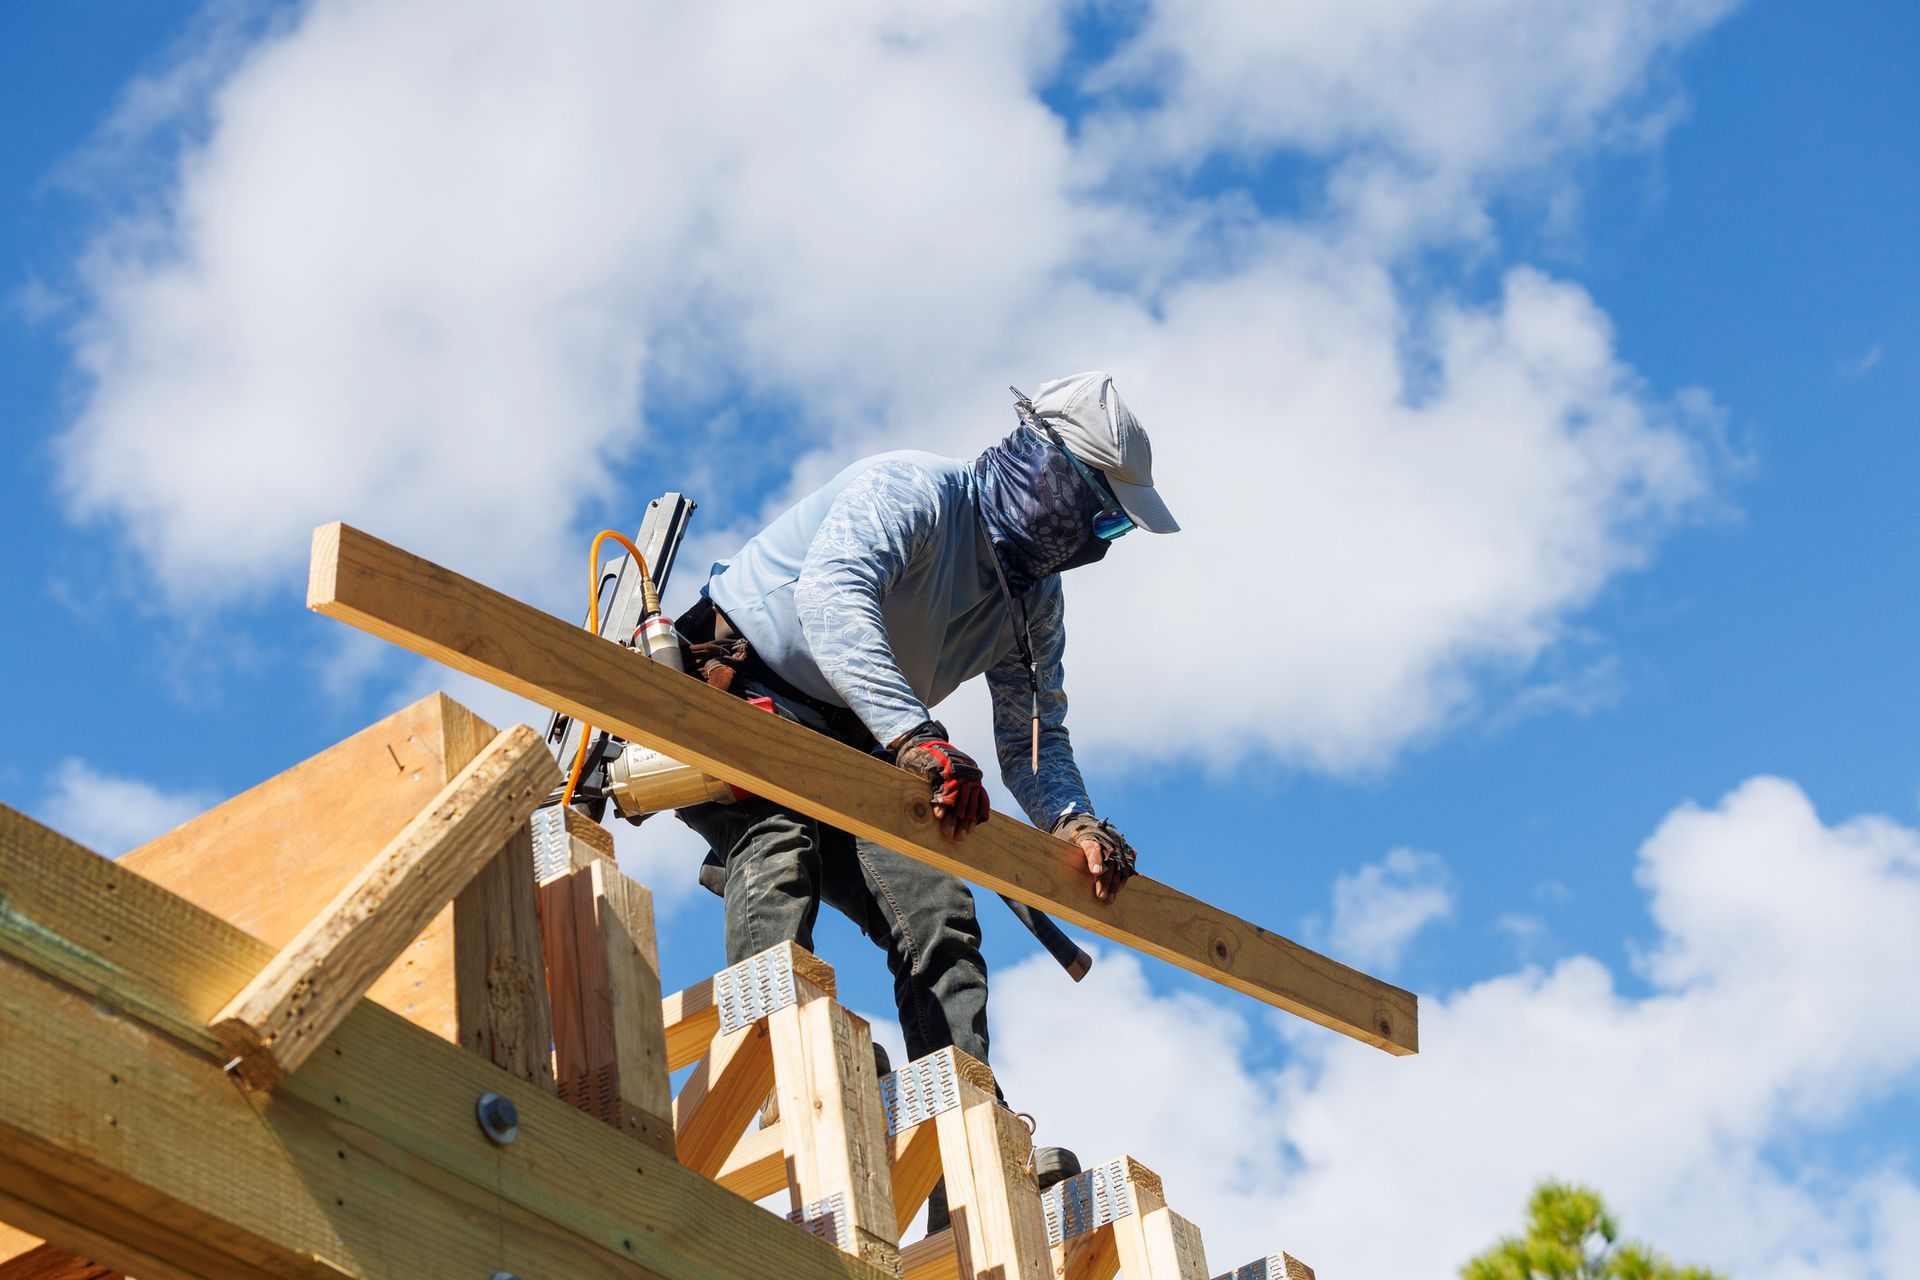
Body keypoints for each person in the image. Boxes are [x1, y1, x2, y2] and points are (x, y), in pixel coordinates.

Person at [674, 371, 1176, 1207]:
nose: (1099, 541)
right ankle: (778, 1059)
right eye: (1104, 514)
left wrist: (1073, 820)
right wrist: (916, 738)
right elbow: (834, 601)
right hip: (738, 686)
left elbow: (1032, 737)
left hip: (859, 735)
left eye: (1114, 526)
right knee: (779, 834)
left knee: (937, 909)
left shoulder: (1031, 605)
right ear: (1052, 476)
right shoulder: (911, 490)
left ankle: (960, 1147)